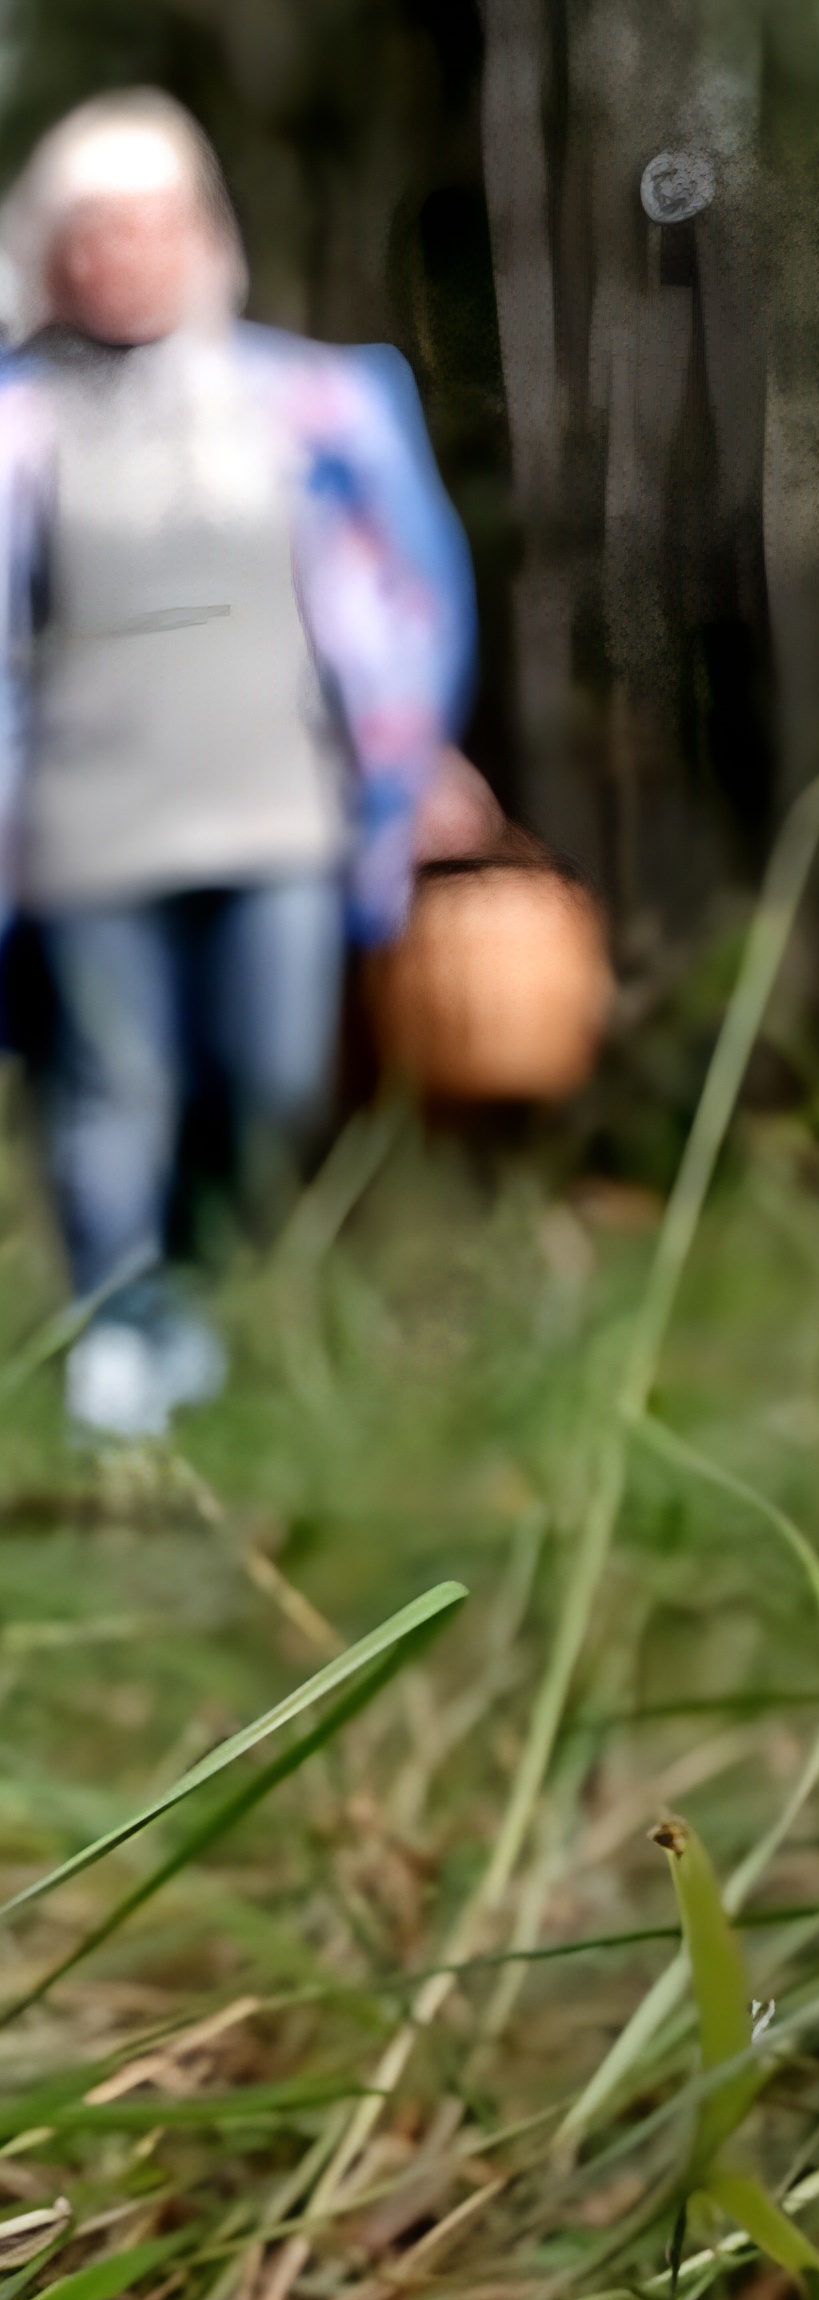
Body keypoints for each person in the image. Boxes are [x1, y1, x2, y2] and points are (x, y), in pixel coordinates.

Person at [0, 91, 477, 1436]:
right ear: (51, 251)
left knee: (265, 1079)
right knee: (112, 1085)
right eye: (95, 233)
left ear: (204, 235)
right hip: (82, 818)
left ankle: (187, 1289)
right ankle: (121, 1333)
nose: (124, 258)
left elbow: (409, 604)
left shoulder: (318, 401)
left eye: (152, 227)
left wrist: (425, 759)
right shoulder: (18, 420)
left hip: (283, 808)